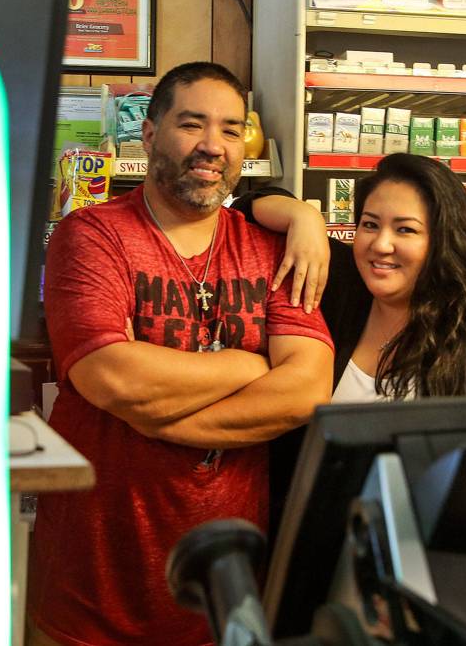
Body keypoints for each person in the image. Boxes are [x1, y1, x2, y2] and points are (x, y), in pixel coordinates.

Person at [28, 62, 334, 646]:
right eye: (192, 124)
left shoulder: (272, 248)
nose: (213, 145)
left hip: (225, 589)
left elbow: (306, 390)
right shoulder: (91, 235)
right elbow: (111, 377)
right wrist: (248, 365)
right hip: (91, 589)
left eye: (230, 129)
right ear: (149, 135)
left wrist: (153, 415)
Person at [232, 152, 466, 400]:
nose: (380, 244)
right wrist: (305, 217)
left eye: (405, 229)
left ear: (444, 240)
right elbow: (244, 209)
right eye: (370, 225)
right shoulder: (338, 284)